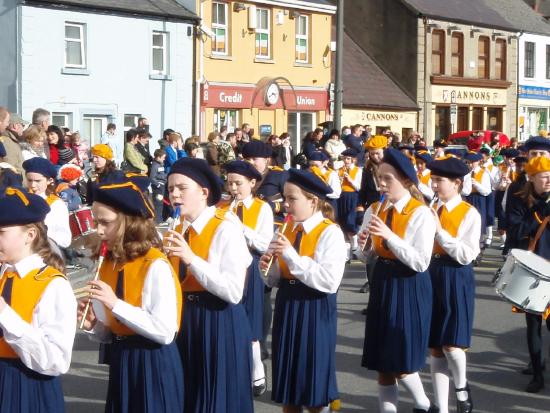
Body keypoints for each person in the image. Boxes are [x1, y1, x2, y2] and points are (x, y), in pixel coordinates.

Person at [77, 177, 184, 412]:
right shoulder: (109, 262)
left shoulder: (154, 264)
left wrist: (114, 304)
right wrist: (93, 325)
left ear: (128, 222)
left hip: (153, 362)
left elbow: (165, 332)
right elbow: (113, 331)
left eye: (105, 222)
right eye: (95, 222)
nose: (98, 230)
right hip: (122, 359)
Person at [164, 157, 254, 413]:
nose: (175, 194)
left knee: (216, 399)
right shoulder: (178, 227)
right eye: (171, 188)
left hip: (218, 320)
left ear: (204, 192)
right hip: (186, 319)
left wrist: (191, 259)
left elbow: (234, 291)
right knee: (188, 396)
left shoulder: (225, 228)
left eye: (182, 188)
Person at [260, 168, 346, 413]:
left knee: (313, 388)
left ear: (313, 201)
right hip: (288, 304)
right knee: (290, 389)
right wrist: (267, 267)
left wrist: (290, 255)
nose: (286, 204)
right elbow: (273, 280)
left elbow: (328, 281)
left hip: (314, 307)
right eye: (284, 198)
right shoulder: (287, 229)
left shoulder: (330, 232)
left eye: (292, 199)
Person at [359, 148, 437, 413]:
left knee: (401, 361)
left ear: (406, 181)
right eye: (379, 177)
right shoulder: (375, 209)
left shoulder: (420, 213)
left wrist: (389, 236)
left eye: (388, 179)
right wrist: (363, 245)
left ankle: (423, 403)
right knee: (382, 363)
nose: (381, 184)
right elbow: (364, 256)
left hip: (409, 284)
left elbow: (420, 262)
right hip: (383, 280)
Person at [0, 186, 76, 412]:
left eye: (2, 232)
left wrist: (6, 315)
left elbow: (56, 360)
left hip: (27, 386)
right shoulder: (4, 274)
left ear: (30, 235)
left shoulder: (53, 284)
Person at [426, 156, 481, 413]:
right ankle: (441, 406)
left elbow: (466, 254)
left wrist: (439, 231)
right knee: (436, 347)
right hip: (431, 273)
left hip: (456, 275)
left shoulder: (470, 213)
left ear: (457, 183)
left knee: (453, 344)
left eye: (439, 180)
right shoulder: (430, 208)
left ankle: (460, 387)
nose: (434, 185)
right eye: (433, 180)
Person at [224, 160, 274, 397]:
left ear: (252, 183)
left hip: (251, 265)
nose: (233, 188)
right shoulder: (223, 207)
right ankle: (235, 368)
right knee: (232, 317)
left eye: (238, 183)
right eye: (230, 183)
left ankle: (257, 370)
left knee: (251, 318)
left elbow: (265, 243)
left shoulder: (262, 208)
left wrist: (241, 228)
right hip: (227, 265)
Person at [23, 157, 71, 252]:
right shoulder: (21, 199)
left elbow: (65, 240)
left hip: (45, 253)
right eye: (29, 180)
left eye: (38, 181)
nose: (32, 185)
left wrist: (43, 234)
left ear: (49, 181)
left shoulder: (57, 205)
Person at [462, 152, 491, 250]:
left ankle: (479, 247)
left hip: (479, 199)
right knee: (469, 223)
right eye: (468, 162)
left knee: (480, 223)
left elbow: (487, 191)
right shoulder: (467, 174)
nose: (470, 165)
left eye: (472, 162)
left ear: (478, 162)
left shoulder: (484, 173)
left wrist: (476, 184)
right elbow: (465, 192)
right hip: (468, 199)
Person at [337, 148, 362, 260]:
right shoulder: (339, 170)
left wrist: (350, 179)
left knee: (350, 223)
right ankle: (347, 253)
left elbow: (359, 187)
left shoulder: (358, 170)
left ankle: (355, 248)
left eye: (348, 158)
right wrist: (340, 180)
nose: (346, 161)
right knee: (342, 223)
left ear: (353, 160)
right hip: (342, 197)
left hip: (352, 197)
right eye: (344, 158)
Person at [150, 149, 167, 223]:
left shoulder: (160, 165)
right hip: (158, 188)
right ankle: (158, 221)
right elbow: (152, 178)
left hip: (162, 186)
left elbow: (161, 175)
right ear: (158, 157)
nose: (164, 159)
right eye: (163, 157)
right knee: (158, 204)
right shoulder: (155, 166)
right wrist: (158, 185)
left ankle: (160, 219)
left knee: (161, 204)